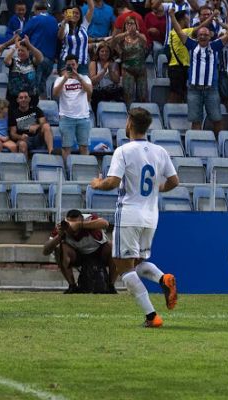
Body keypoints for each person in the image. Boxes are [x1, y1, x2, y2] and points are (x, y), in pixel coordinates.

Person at [90, 107, 179, 328]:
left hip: (129, 214)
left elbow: (111, 182)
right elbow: (174, 181)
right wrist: (158, 188)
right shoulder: (160, 151)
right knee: (137, 263)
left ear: (129, 122)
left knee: (124, 269)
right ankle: (162, 279)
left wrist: (97, 184)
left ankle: (152, 317)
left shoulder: (124, 151)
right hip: (151, 216)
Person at [170, 7, 228, 135]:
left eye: (206, 35)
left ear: (210, 36)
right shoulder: (192, 45)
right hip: (194, 89)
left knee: (217, 119)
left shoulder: (215, 46)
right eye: (200, 34)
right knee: (196, 120)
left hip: (211, 89)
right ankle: (197, 147)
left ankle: (219, 146)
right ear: (197, 36)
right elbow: (179, 31)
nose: (203, 37)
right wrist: (172, 16)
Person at [43, 209, 117, 294]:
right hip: (78, 255)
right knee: (60, 248)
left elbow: (105, 223)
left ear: (81, 219)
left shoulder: (89, 219)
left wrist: (80, 225)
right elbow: (46, 251)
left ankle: (111, 285)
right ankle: (72, 286)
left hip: (98, 251)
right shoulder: (62, 227)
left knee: (112, 246)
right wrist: (59, 236)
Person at [53, 54, 92, 162]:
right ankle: (67, 172)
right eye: (69, 65)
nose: (71, 67)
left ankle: (85, 169)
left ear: (77, 65)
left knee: (84, 147)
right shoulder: (60, 79)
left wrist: (78, 77)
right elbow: (55, 93)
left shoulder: (85, 78)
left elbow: (90, 91)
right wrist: (65, 78)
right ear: (65, 66)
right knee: (66, 147)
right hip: (66, 117)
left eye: (73, 64)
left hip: (83, 117)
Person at [21, 0, 58, 99]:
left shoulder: (35, 19)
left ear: (36, 10)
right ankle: (43, 110)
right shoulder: (54, 20)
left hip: (36, 60)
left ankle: (34, 111)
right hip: (49, 61)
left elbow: (22, 36)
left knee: (33, 87)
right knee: (42, 86)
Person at [111, 16, 148, 105]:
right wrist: (126, 33)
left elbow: (145, 42)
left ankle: (142, 115)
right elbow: (113, 42)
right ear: (125, 25)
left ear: (136, 25)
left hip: (141, 69)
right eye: (128, 23)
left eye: (132, 23)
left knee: (143, 95)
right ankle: (129, 114)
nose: (130, 25)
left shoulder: (141, 36)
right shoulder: (122, 38)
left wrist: (137, 33)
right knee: (128, 95)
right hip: (127, 69)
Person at [9, 90, 54, 157]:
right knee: (22, 144)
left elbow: (44, 122)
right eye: (21, 98)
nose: (23, 99)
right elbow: (12, 134)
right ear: (17, 100)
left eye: (25, 97)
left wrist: (37, 126)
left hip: (37, 138)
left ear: (29, 99)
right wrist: (21, 137)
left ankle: (51, 152)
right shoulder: (13, 114)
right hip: (24, 140)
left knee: (46, 126)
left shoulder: (36, 109)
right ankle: (24, 166)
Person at [4, 34, 43, 109]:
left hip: (31, 98)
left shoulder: (32, 61)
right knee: (14, 120)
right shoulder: (14, 61)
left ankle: (27, 121)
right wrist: (15, 47)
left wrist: (29, 45)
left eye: (23, 51)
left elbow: (40, 58)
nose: (20, 53)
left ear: (29, 51)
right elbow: (6, 61)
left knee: (28, 120)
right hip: (14, 98)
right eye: (19, 50)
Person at [58, 0, 94, 75]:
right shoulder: (65, 26)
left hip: (82, 63)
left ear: (80, 16)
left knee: (83, 86)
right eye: (72, 13)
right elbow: (60, 37)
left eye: (77, 13)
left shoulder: (84, 25)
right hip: (67, 62)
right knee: (68, 85)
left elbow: (91, 8)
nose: (75, 15)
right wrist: (65, 21)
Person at [89, 41, 122, 113]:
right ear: (98, 52)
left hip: (111, 92)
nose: (104, 53)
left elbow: (117, 80)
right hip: (98, 93)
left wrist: (110, 70)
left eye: (107, 51)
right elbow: (93, 81)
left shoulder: (114, 63)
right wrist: (104, 70)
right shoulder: (93, 63)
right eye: (102, 51)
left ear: (110, 53)